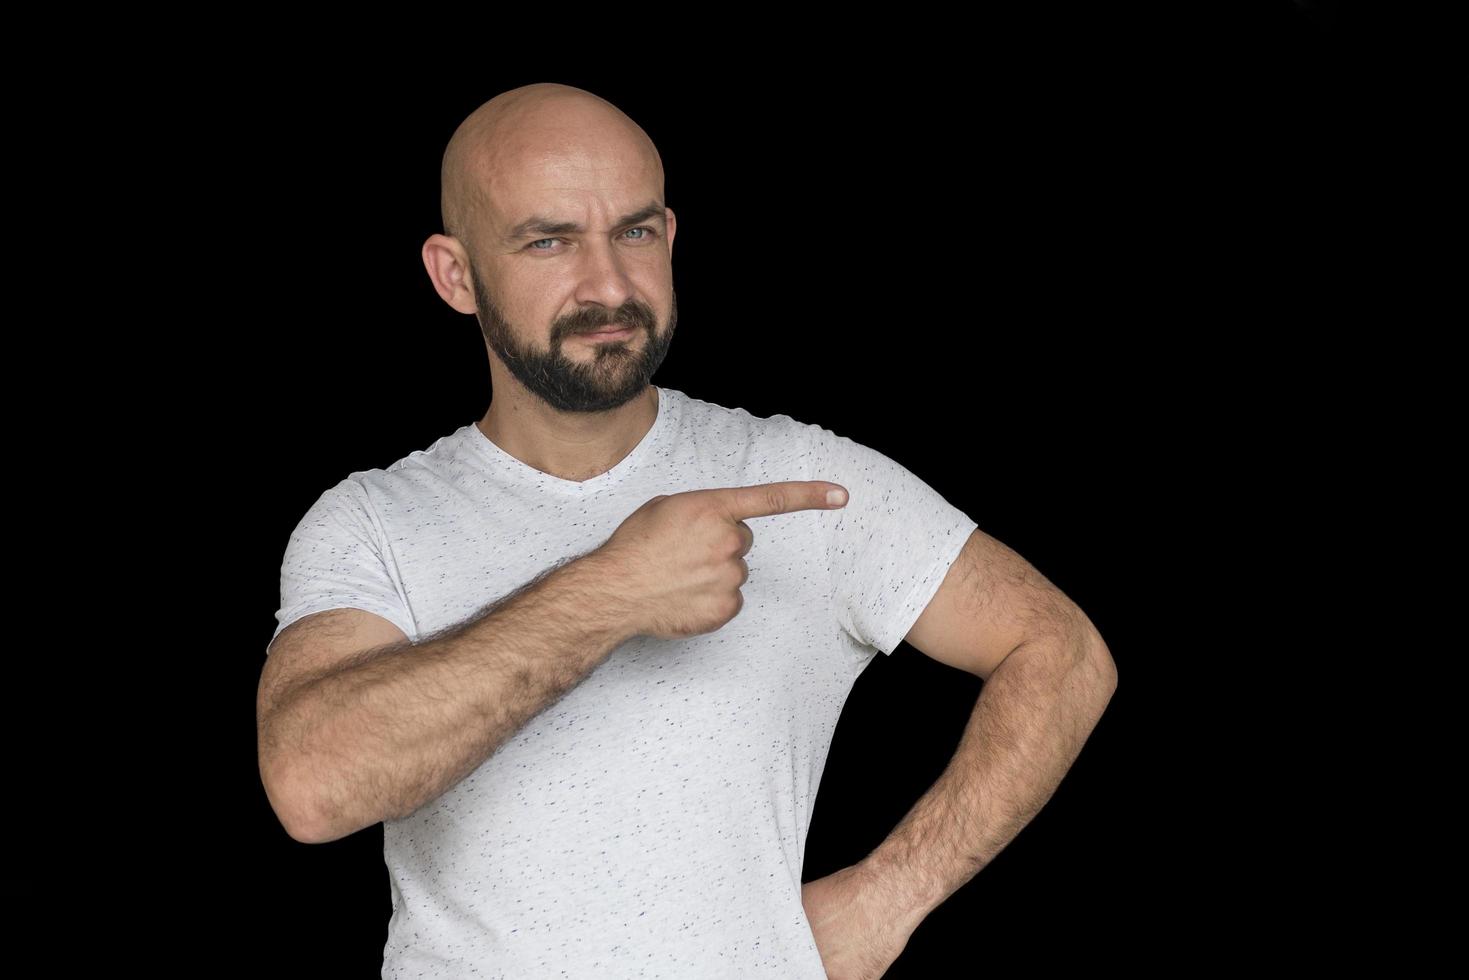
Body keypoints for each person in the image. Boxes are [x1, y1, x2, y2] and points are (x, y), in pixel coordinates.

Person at [257, 82, 1117, 979]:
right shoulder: (372, 519)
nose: (609, 285)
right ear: (456, 275)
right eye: (548, 241)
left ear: (669, 238)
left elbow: (1060, 652)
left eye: (633, 232)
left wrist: (889, 895)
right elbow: (314, 788)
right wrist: (613, 590)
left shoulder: (797, 483)